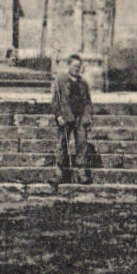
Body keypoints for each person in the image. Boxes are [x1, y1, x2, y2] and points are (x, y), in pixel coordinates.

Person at [52, 54, 93, 184]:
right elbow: (56, 100)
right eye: (74, 66)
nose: (77, 68)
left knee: (82, 144)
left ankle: (81, 173)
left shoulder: (83, 83)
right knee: (62, 144)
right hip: (66, 117)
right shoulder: (60, 81)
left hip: (80, 118)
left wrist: (87, 117)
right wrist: (58, 115)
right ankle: (59, 173)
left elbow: (88, 102)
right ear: (69, 66)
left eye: (79, 66)